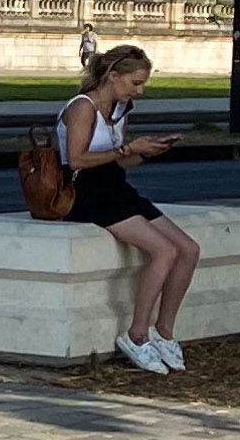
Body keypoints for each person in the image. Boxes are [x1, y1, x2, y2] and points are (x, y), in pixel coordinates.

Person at [63, 41, 192, 371]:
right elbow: (76, 160)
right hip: (85, 192)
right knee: (164, 252)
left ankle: (164, 332)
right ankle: (136, 335)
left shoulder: (119, 109)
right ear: (112, 75)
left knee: (188, 249)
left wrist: (144, 152)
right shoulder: (83, 107)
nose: (139, 90)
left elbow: (119, 162)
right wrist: (127, 150)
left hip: (114, 186)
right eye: (135, 83)